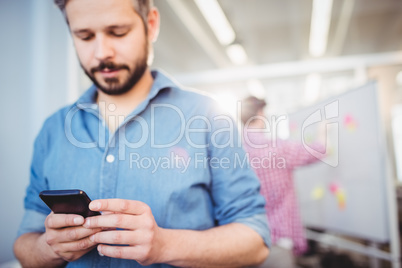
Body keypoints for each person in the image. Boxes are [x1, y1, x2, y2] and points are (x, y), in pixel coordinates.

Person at [13, 1, 270, 267]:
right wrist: (48, 248)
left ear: (151, 24)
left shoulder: (209, 117)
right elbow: (24, 244)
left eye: (118, 32)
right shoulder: (52, 130)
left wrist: (166, 245)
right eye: (85, 36)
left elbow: (256, 240)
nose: (102, 53)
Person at [241, 96, 325, 268]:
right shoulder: (277, 148)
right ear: (260, 113)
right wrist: (323, 131)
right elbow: (319, 150)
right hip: (277, 243)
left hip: (243, 242)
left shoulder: (231, 151)